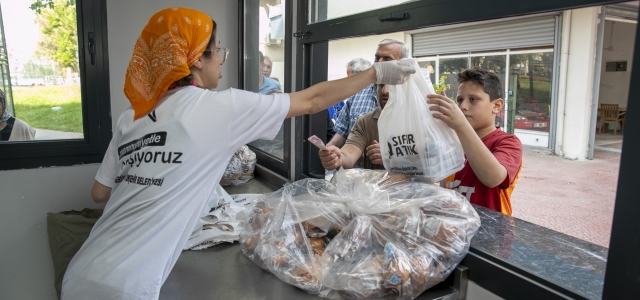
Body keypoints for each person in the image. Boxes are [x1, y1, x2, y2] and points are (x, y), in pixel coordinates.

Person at [61, 7, 414, 299]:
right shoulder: (218, 108)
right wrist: (376, 73)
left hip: (81, 270)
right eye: (219, 51)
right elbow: (312, 100)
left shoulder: (132, 114)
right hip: (126, 287)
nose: (222, 61)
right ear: (197, 59)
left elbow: (100, 193)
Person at [428, 67, 523, 215]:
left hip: (489, 234)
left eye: (473, 99)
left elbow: (493, 178)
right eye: (460, 100)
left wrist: (461, 126)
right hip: (452, 228)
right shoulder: (452, 141)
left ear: (497, 106)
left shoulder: (508, 142)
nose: (463, 106)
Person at [329, 39, 408, 149]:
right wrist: (330, 150)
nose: (379, 63)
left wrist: (389, 155)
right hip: (357, 166)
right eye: (377, 58)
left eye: (387, 59)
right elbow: (341, 133)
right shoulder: (357, 94)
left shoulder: (412, 100)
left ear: (403, 62)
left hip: (398, 166)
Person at [319, 82, 390, 170]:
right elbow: (349, 153)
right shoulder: (365, 122)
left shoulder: (412, 120)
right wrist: (338, 157)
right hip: (372, 183)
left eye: (392, 84)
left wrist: (395, 157)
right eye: (381, 85)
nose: (385, 91)